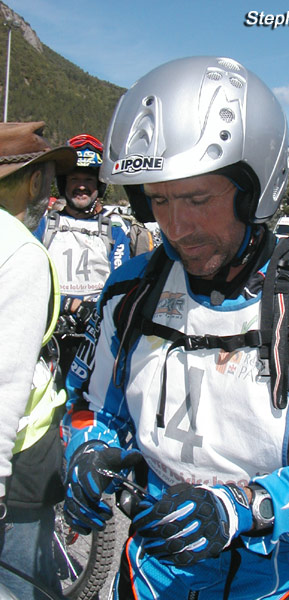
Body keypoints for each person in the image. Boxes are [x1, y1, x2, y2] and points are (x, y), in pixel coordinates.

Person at [62, 56, 289, 600]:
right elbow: (92, 409)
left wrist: (247, 506)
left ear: (255, 191)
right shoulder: (131, 288)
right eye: (158, 199)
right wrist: (86, 451)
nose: (177, 227)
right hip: (146, 574)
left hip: (272, 582)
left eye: (198, 199)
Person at [0, 121, 76, 598]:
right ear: (32, 183)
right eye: (48, 182)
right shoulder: (21, 251)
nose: (50, 196)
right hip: (21, 460)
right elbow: (6, 379)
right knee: (21, 581)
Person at [35, 134, 131, 383]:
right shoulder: (44, 225)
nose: (81, 186)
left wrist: (95, 309)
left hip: (96, 337)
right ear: (63, 184)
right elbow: (29, 280)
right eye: (74, 179)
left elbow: (121, 288)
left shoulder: (114, 230)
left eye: (88, 180)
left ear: (99, 186)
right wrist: (69, 304)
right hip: (49, 336)